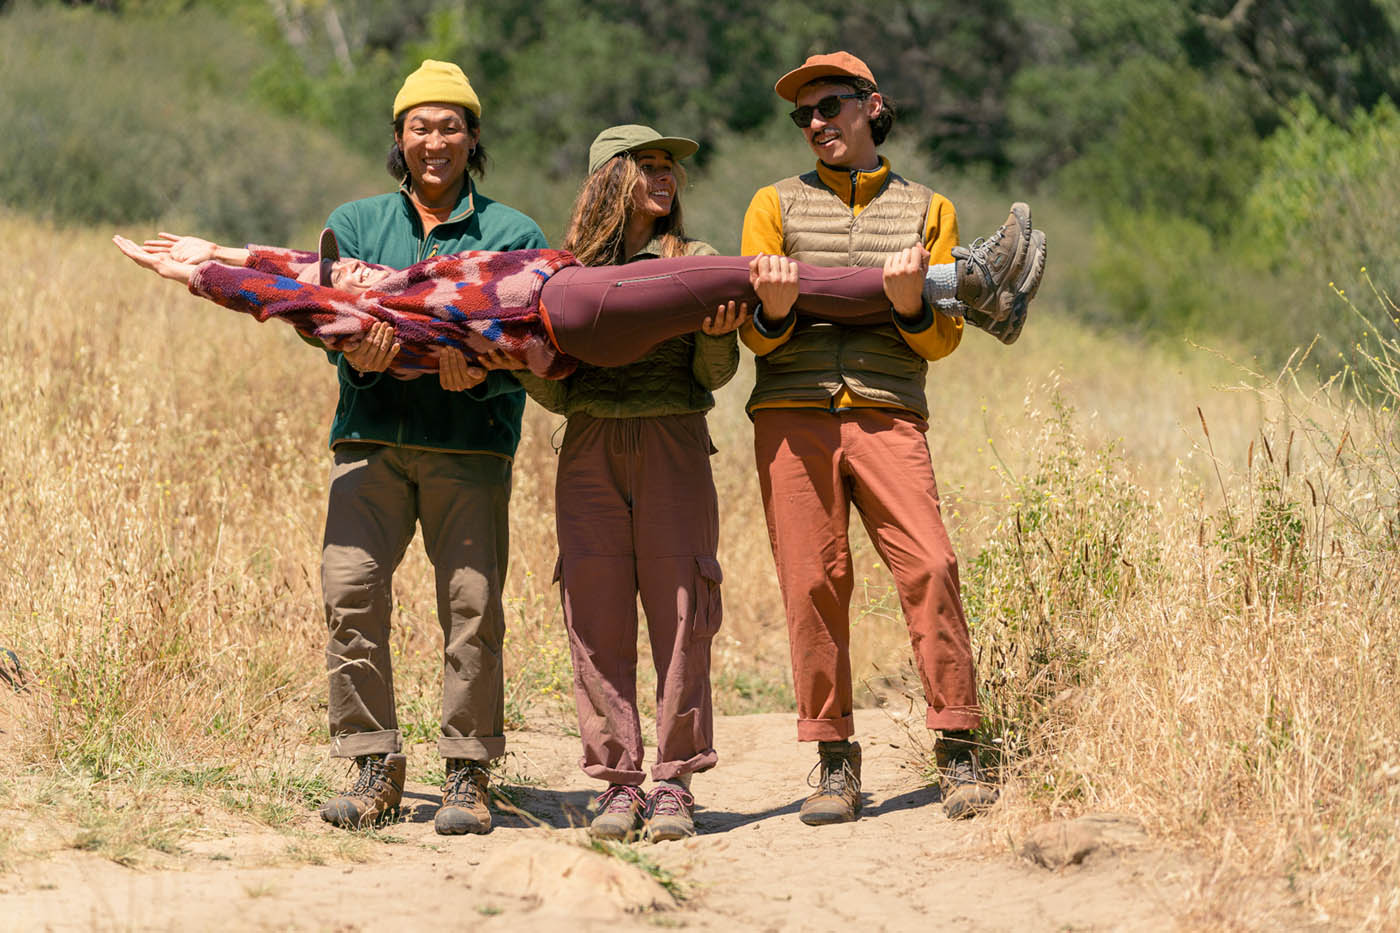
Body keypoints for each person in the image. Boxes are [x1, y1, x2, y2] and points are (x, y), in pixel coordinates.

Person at [743, 51, 1040, 824]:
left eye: (830, 106)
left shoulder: (927, 208)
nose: (816, 123)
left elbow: (941, 342)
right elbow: (756, 340)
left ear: (872, 106)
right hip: (791, 414)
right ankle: (834, 760)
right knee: (812, 584)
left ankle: (960, 745)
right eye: (803, 114)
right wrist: (775, 311)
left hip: (888, 409)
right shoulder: (770, 204)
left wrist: (913, 306)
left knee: (932, 564)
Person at [510, 125, 743, 843]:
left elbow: (718, 374)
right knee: (595, 606)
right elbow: (554, 395)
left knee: (682, 608)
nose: (665, 177)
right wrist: (522, 355)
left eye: (670, 167)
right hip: (590, 447)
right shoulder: (564, 270)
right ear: (610, 177)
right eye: (648, 166)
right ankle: (619, 784)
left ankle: (673, 781)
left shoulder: (696, 260)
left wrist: (714, 332)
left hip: (674, 437)